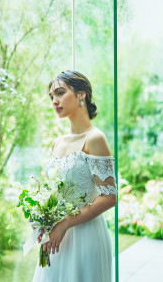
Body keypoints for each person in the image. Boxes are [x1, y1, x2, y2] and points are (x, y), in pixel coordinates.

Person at [32, 70, 117, 282]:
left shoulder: (95, 138)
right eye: (52, 96)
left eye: (60, 93)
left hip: (85, 235)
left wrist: (65, 223)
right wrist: (41, 218)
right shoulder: (57, 142)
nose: (54, 101)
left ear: (81, 95)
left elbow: (109, 197)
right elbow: (52, 191)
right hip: (55, 238)